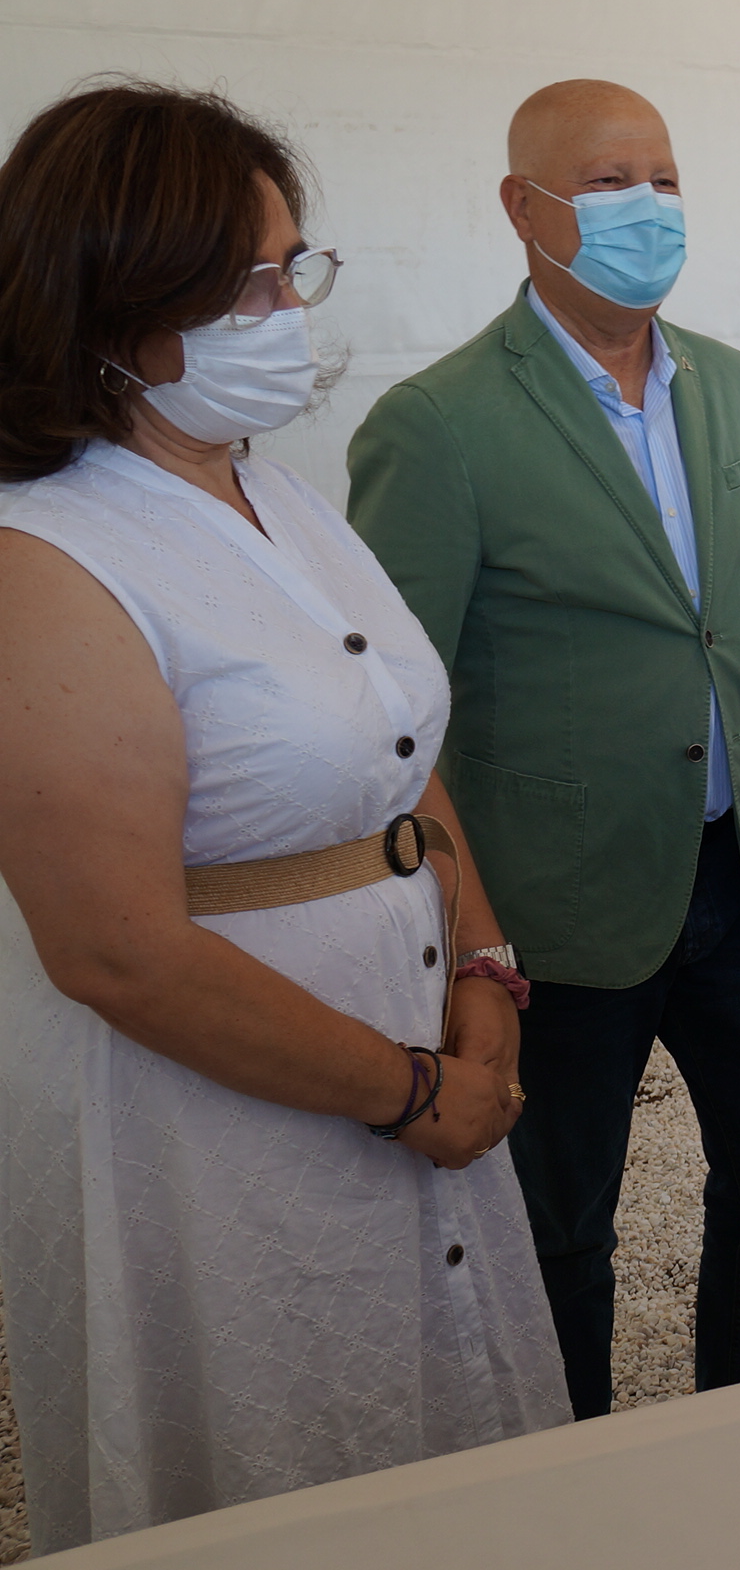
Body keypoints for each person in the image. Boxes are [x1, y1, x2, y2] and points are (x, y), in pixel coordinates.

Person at [0, 82, 568, 1553]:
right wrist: (406, 1092)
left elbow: (400, 758)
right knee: (275, 1447)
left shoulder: (278, 495)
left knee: (439, 1418)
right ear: (115, 303)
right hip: (214, 1120)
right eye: (248, 282)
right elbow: (114, 949)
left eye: (291, 267)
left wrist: (486, 973)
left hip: (409, 1044)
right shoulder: (48, 559)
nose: (287, 310)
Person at [348, 80, 740, 1417]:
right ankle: (572, 1464)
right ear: (524, 209)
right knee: (560, 1222)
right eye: (613, 183)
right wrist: (460, 920)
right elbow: (394, 715)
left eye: (665, 179)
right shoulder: (440, 424)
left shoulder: (727, 384)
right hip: (556, 906)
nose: (651, 209)